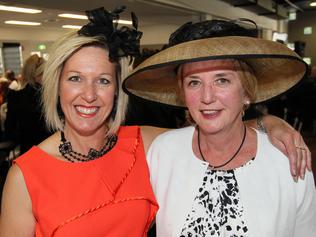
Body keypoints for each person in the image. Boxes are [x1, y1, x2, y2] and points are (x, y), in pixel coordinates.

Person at [0, 8, 311, 236]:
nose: (89, 95)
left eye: (104, 81)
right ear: (57, 86)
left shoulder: (144, 144)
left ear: (117, 92)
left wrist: (269, 124)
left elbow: (216, 131)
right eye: (76, 79)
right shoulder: (25, 176)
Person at [123, 19, 316, 236]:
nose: (207, 97)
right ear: (183, 93)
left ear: (247, 92)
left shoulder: (287, 159)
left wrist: (270, 121)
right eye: (194, 82)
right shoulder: (162, 151)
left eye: (222, 80)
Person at [4, 54, 52, 154]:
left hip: (27, 152)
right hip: (52, 152)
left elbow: (9, 130)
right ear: (40, 74)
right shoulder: (52, 96)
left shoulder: (15, 96)